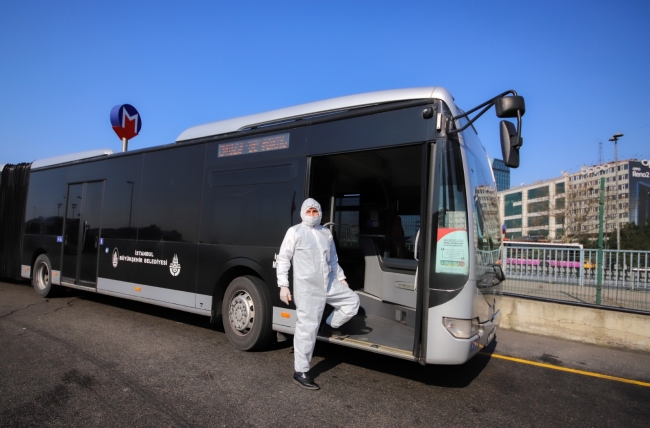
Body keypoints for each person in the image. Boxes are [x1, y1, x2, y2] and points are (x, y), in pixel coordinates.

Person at [276, 198, 360, 390]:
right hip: (307, 288)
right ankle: (301, 371)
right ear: (303, 213)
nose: (313, 215)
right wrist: (283, 285)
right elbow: (283, 259)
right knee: (307, 329)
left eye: (316, 212)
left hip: (328, 283)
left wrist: (340, 277)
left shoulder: (325, 233)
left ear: (320, 213)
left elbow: (332, 260)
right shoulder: (294, 232)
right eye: (309, 212)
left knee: (352, 301)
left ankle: (329, 324)